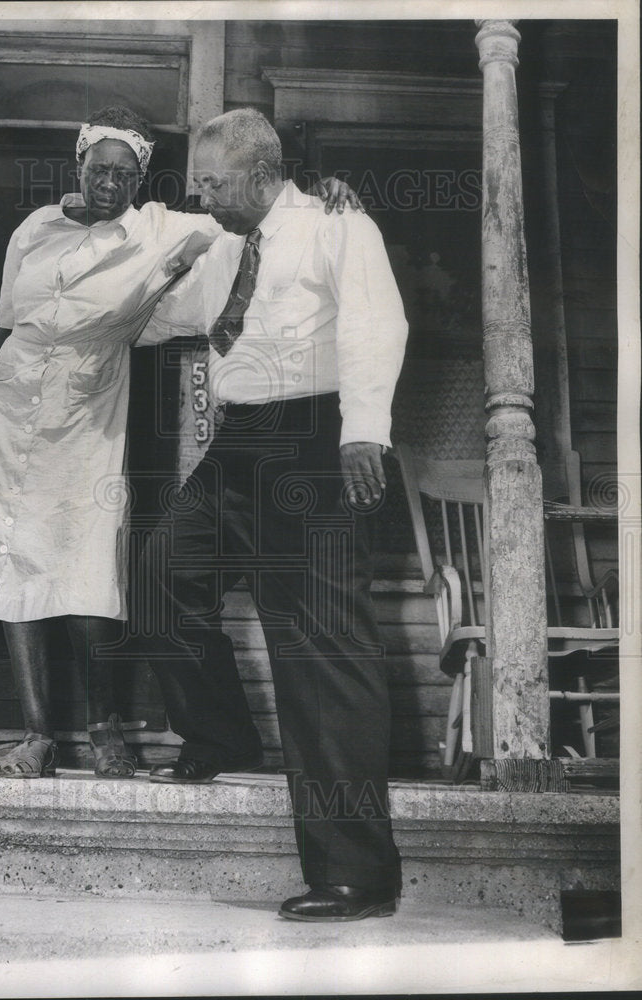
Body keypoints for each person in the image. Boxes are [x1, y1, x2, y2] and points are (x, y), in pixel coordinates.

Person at [0, 105, 358, 780]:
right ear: (80, 165)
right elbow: (11, 320)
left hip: (88, 403)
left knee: (85, 563)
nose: (110, 184)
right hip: (6, 403)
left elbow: (255, 212)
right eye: (100, 169)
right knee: (8, 555)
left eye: (126, 174)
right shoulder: (34, 228)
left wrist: (322, 193)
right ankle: (36, 735)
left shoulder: (160, 228)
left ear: (140, 177)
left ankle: (105, 729)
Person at [134, 108, 409, 921]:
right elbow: (154, 309)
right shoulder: (222, 241)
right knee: (157, 581)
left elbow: (374, 320)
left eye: (213, 184)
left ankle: (357, 874)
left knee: (321, 650)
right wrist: (164, 263)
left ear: (259, 175)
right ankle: (221, 737)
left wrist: (363, 432)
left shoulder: (337, 224)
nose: (202, 197)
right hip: (239, 444)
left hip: (315, 437)